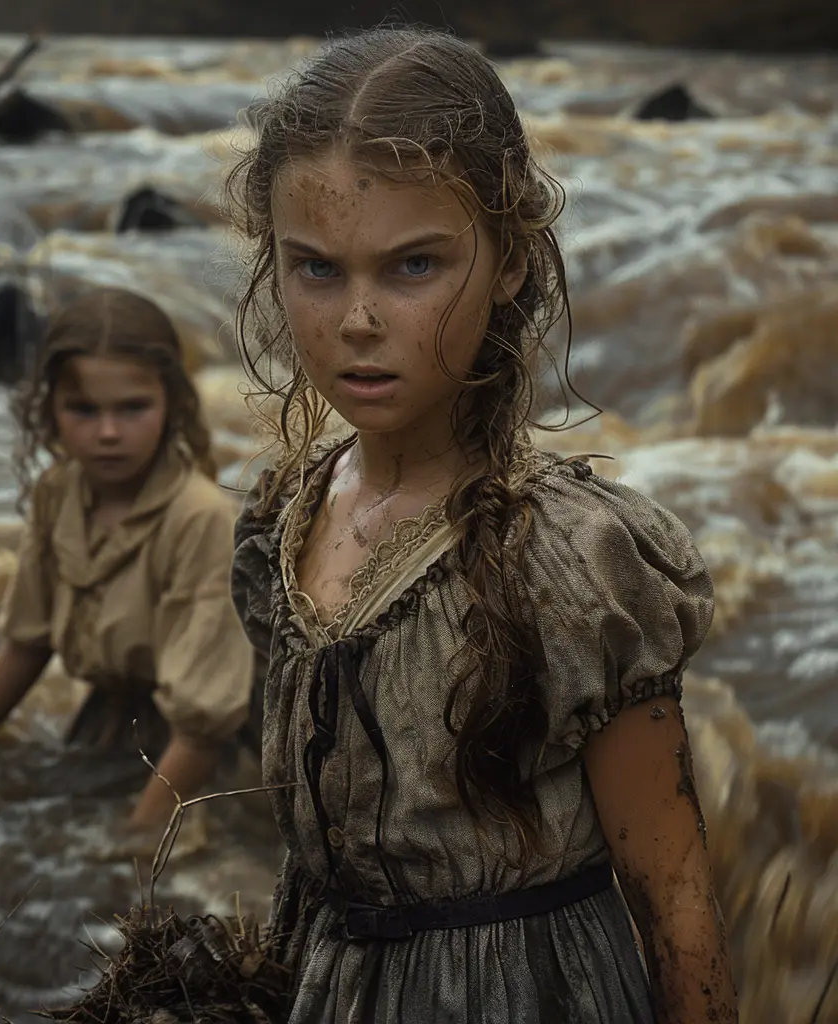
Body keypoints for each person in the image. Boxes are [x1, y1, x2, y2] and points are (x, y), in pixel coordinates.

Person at [228, 26, 738, 1024]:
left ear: (506, 260)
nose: (357, 320)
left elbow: (675, 900)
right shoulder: (285, 518)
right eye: (316, 269)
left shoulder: (575, 563)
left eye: (412, 266)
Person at [0, 286, 255, 836]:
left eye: (133, 408)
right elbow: (28, 641)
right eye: (83, 409)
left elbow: (203, 727)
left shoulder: (200, 519)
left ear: (172, 404)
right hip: (110, 724)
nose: (108, 433)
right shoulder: (58, 492)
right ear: (49, 411)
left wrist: (140, 838)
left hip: (199, 758)